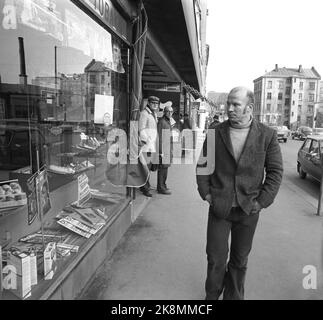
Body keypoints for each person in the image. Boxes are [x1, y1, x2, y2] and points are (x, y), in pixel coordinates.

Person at [196, 86, 283, 300]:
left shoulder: (267, 135)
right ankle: (212, 295)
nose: (230, 108)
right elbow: (203, 166)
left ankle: (234, 296)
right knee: (215, 258)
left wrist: (261, 203)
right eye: (229, 103)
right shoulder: (216, 132)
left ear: (249, 107)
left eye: (236, 104)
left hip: (248, 209)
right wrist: (207, 194)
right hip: (220, 208)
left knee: (239, 259)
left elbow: (275, 172)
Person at [138, 96, 160, 197]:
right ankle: (144, 188)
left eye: (156, 103)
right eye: (153, 103)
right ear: (149, 103)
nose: (155, 105)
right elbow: (141, 129)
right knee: (145, 167)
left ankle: (145, 184)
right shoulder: (144, 114)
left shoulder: (153, 114)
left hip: (151, 146)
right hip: (146, 146)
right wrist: (148, 141)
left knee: (148, 166)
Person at [157, 104, 173, 195]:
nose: (170, 113)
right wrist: (161, 151)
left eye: (171, 112)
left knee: (165, 169)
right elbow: (159, 137)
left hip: (168, 148)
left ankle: (163, 185)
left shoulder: (168, 121)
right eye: (168, 111)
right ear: (164, 112)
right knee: (162, 169)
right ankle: (161, 188)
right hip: (163, 149)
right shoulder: (162, 122)